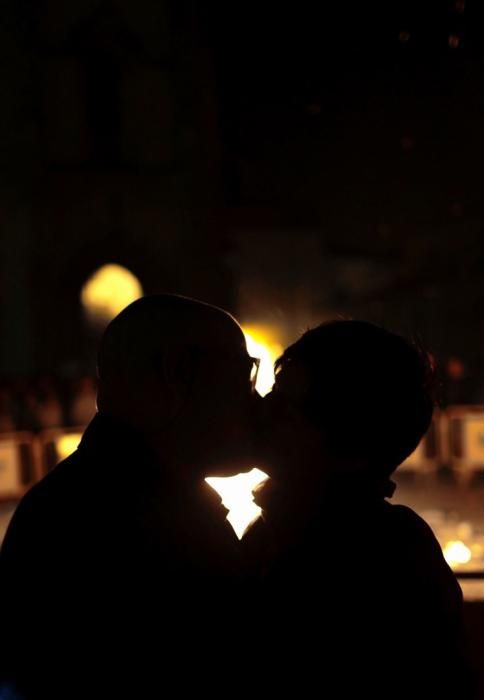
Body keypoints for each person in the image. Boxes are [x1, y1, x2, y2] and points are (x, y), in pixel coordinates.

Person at [0, 294, 260, 699]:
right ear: (178, 376)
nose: (256, 403)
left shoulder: (85, 500)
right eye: (243, 378)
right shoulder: (140, 525)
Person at [245, 320, 474, 698]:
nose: (263, 409)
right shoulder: (289, 528)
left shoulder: (369, 559)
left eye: (286, 403)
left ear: (349, 447)